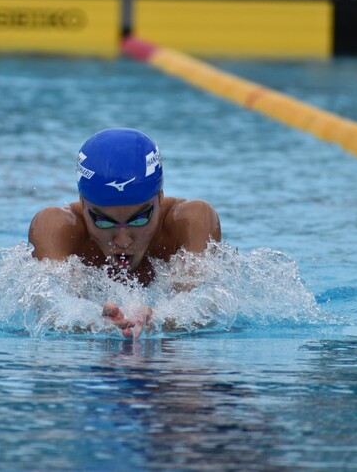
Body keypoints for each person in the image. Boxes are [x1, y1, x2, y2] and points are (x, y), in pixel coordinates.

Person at [28, 128, 222, 338]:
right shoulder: (57, 227)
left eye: (139, 219)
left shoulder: (190, 221)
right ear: (83, 203)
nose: (123, 241)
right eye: (103, 221)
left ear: (160, 197)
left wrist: (160, 321)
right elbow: (51, 310)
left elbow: (200, 305)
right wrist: (94, 323)